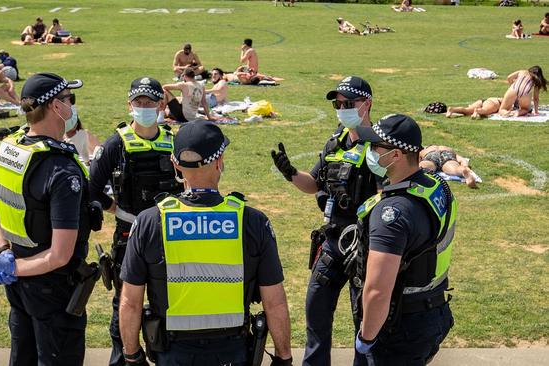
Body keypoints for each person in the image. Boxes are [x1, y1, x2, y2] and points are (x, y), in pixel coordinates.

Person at [119, 121, 293, 366]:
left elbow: (130, 302)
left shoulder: (150, 221)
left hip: (172, 352)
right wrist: (284, 357)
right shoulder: (252, 221)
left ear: (175, 164)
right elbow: (274, 302)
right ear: (219, 160)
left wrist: (132, 355)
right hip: (232, 352)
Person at [0, 72, 99, 366]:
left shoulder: (10, 149)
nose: (72, 107)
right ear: (56, 106)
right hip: (52, 288)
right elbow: (59, 255)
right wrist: (15, 266)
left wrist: (5, 255)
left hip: (18, 283)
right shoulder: (62, 170)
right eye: (70, 100)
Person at [271, 76, 379, 366]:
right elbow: (313, 183)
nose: (342, 108)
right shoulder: (335, 142)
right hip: (332, 243)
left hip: (365, 249)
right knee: (315, 313)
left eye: (349, 104)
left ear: (366, 104)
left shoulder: (379, 147)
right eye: (338, 104)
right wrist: (291, 173)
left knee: (364, 321)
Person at [88, 76, 184, 366]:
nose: (144, 107)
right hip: (128, 232)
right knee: (125, 302)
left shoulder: (174, 141)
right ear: (129, 104)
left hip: (170, 234)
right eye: (138, 102)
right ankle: (124, 358)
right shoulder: (116, 143)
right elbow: (92, 187)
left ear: (161, 105)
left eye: (150, 102)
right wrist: (112, 206)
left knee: (167, 299)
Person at [352, 114, 455, 365]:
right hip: (433, 310)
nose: (371, 150)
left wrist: (366, 339)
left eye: (376, 145)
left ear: (396, 155)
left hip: (400, 326)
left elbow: (377, 291)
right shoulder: (435, 186)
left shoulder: (391, 214)